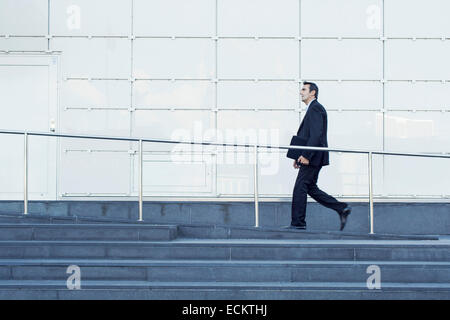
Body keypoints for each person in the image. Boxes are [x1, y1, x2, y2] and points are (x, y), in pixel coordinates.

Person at [285, 82, 351, 231]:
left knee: (300, 187)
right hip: (312, 156)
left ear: (312, 93)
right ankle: (342, 208)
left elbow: (316, 134)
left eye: (303, 89)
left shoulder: (315, 108)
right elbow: (308, 135)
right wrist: (299, 156)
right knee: (310, 187)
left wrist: (307, 155)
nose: (300, 92)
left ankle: (298, 223)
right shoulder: (312, 109)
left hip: (313, 157)